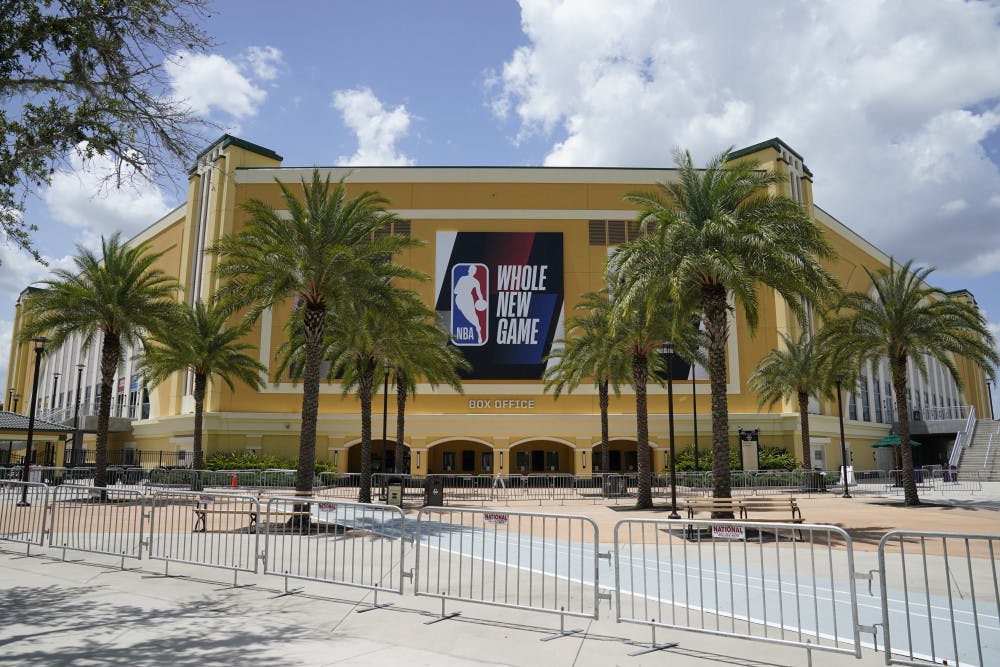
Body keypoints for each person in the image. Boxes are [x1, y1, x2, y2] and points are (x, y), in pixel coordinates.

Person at [453, 265, 485, 343]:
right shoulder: (462, 278)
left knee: (473, 316)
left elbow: (479, 293)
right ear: (469, 270)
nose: (472, 271)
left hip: (468, 299)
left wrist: (481, 300)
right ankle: (478, 327)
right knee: (468, 315)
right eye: (471, 270)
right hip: (460, 299)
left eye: (473, 270)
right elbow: (455, 291)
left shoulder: (475, 281)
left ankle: (479, 332)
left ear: (474, 272)